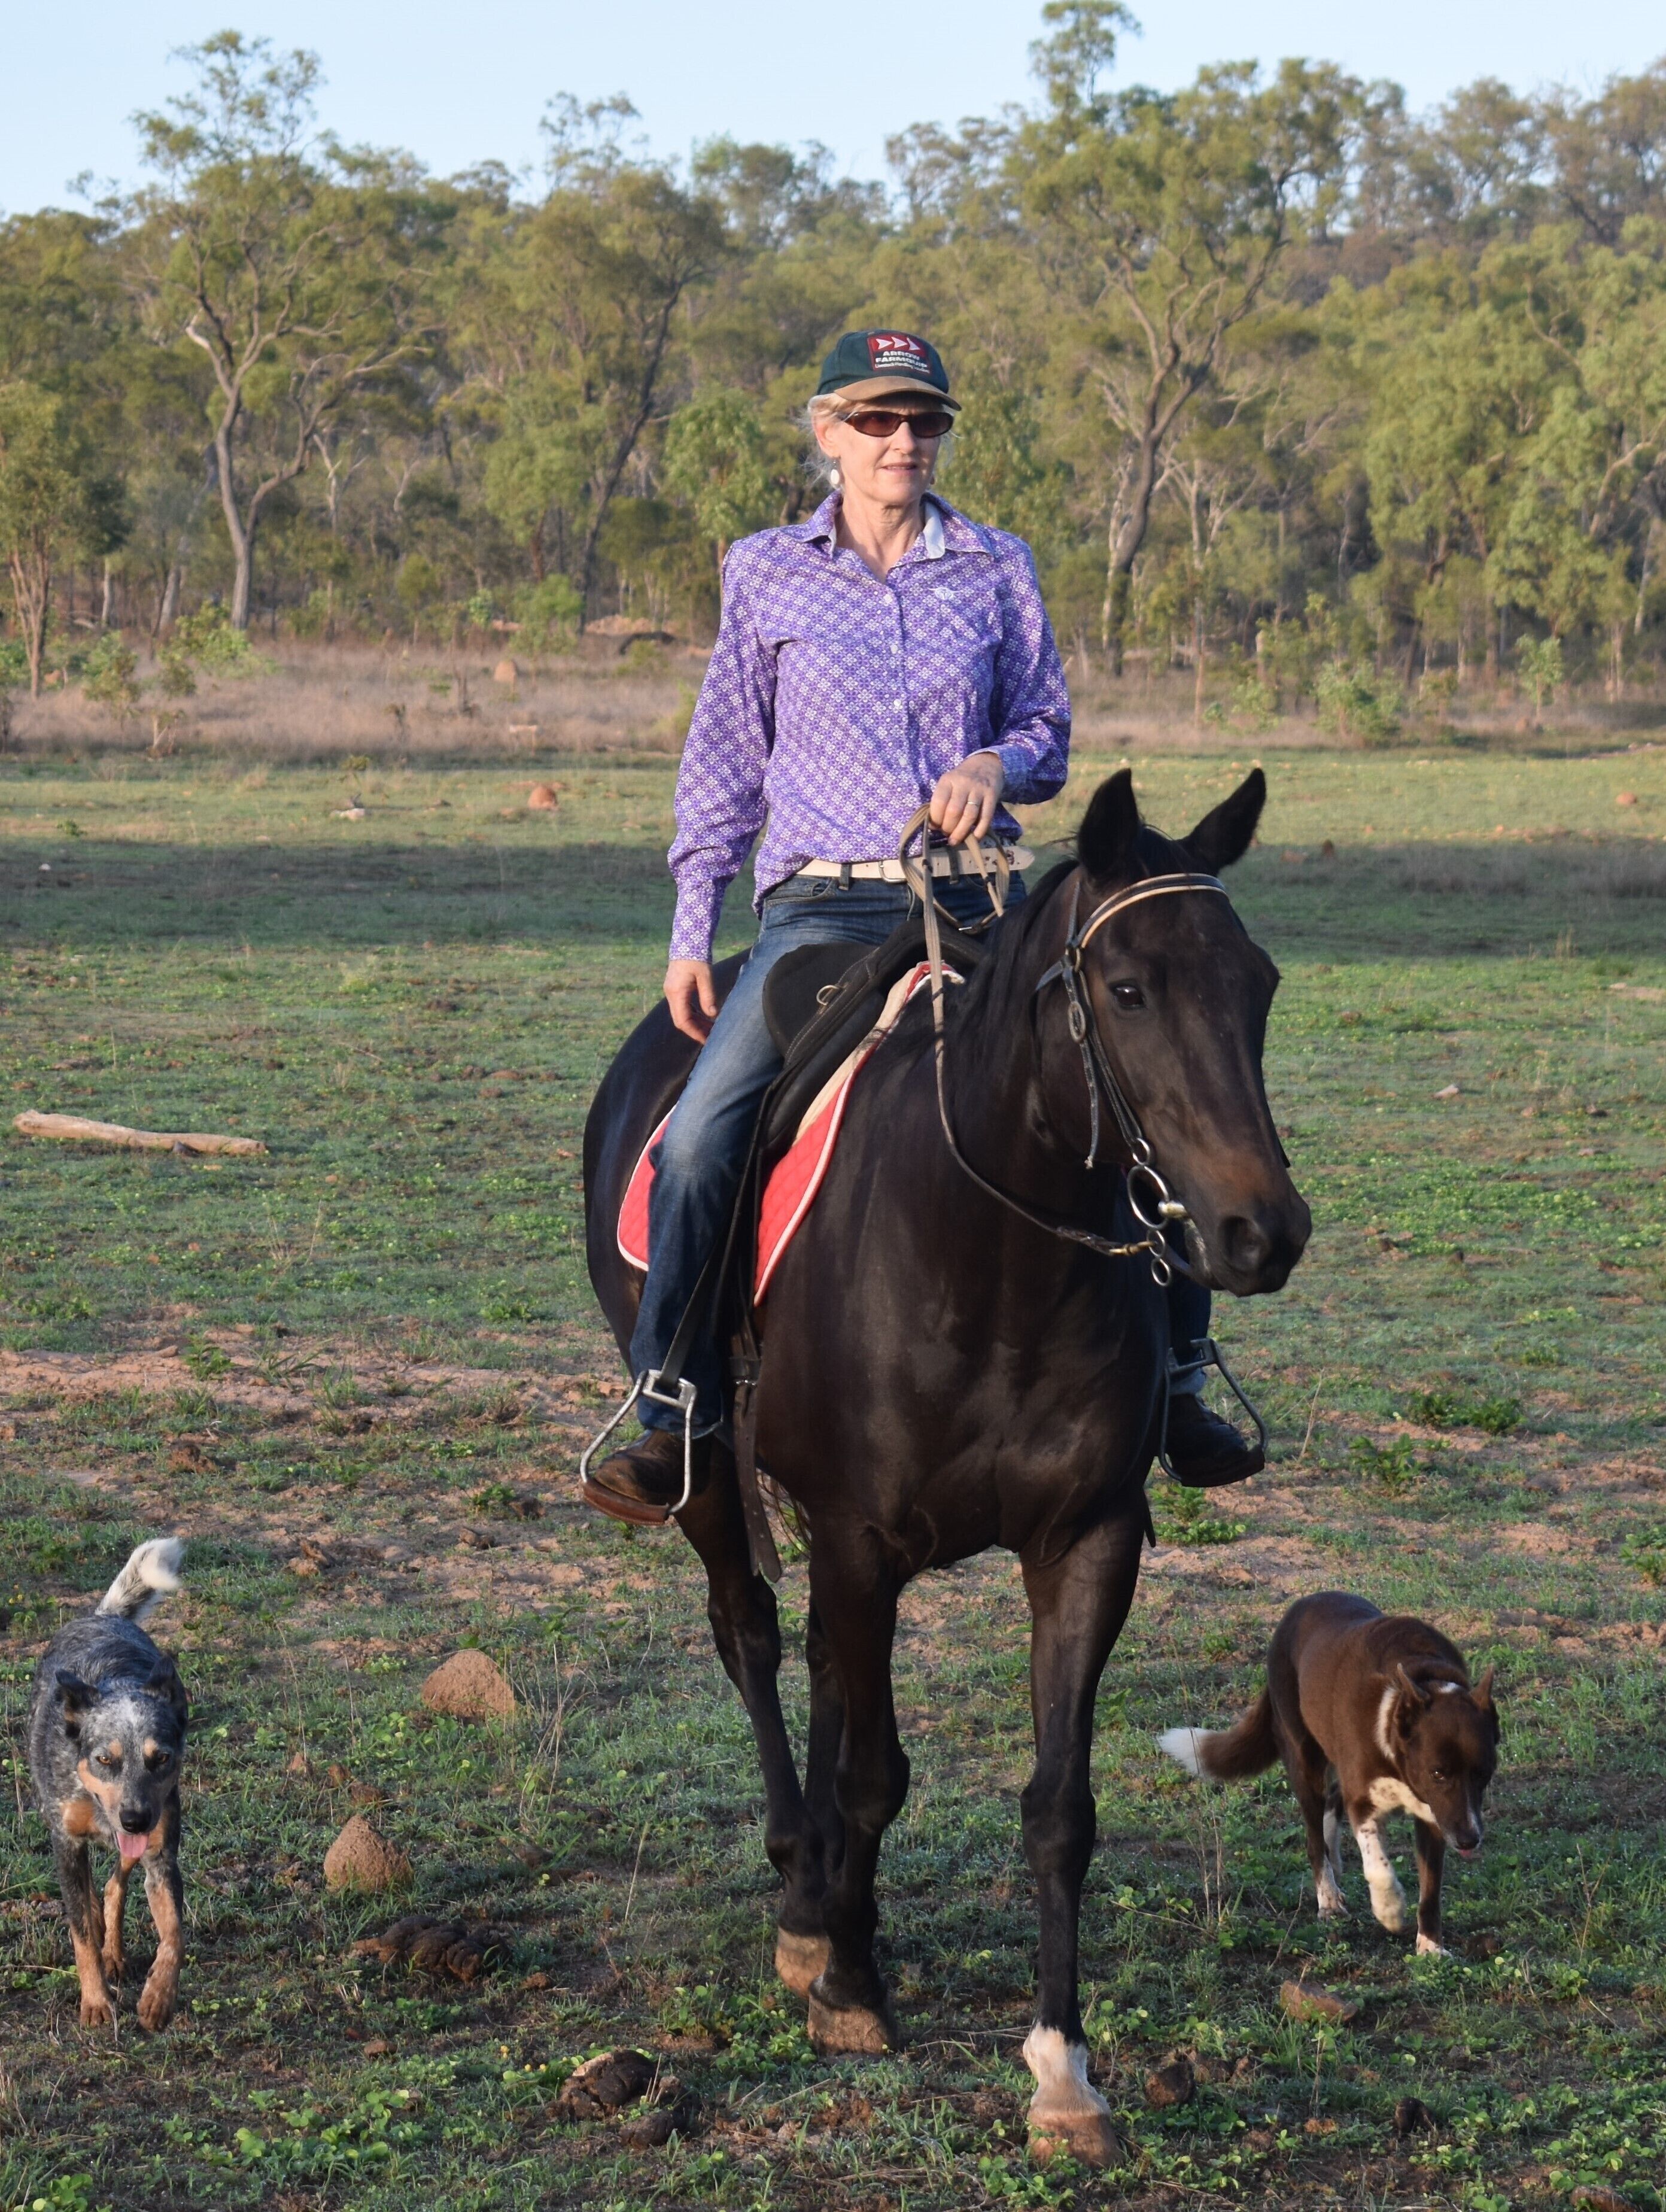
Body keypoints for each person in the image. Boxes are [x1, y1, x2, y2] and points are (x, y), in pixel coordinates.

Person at [584, 328, 1256, 1525]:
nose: (905, 441)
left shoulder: (996, 566)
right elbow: (727, 763)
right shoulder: (765, 573)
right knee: (699, 1140)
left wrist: (999, 761)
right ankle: (670, 1407)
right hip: (821, 910)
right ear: (828, 430)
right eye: (880, 420)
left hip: (981, 899)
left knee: (1135, 1077)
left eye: (925, 421)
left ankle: (1181, 1377)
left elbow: (1048, 723)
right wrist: (694, 925)